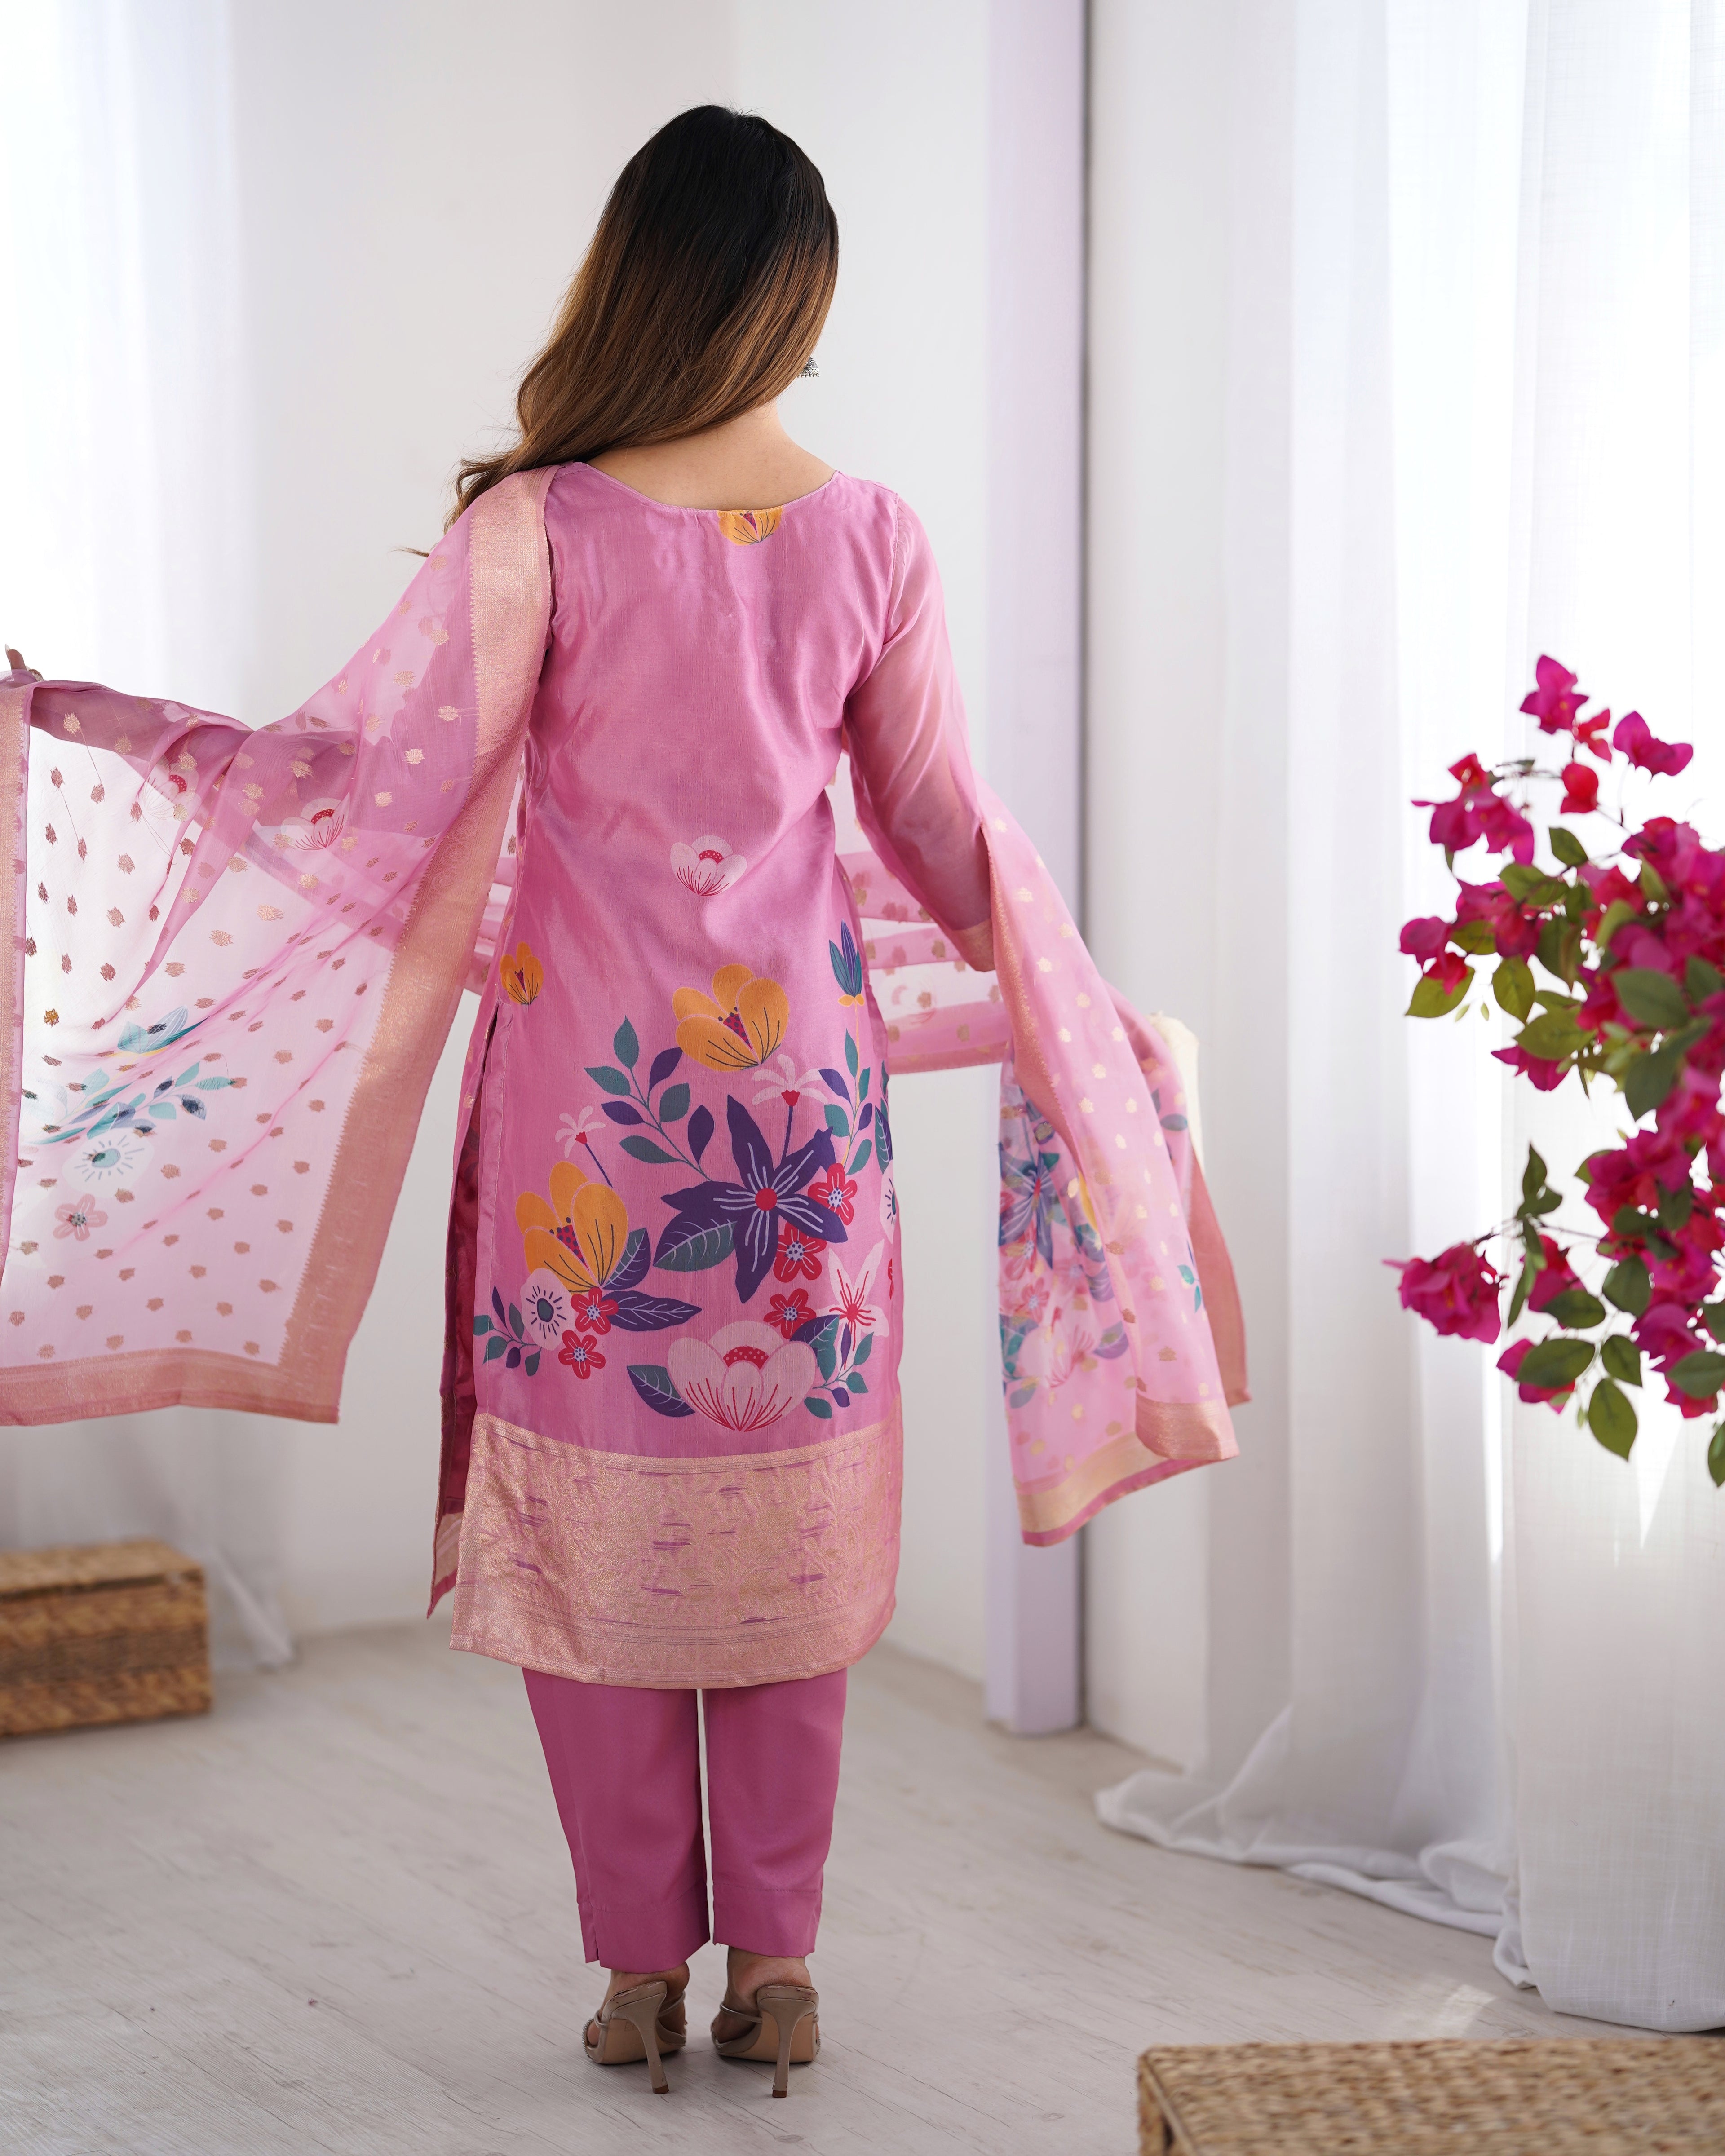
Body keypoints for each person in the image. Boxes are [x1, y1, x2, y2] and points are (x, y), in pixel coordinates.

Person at [2, 105, 1243, 2100]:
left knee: (599, 1562)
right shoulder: (873, 532)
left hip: (590, 1126)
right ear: (794, 302)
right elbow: (934, 830)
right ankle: (783, 1968)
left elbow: (343, 791)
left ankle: (634, 1977)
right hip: (801, 1150)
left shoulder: (537, 529)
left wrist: (92, 721)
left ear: (637, 279)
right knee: (787, 1551)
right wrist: (1076, 998)